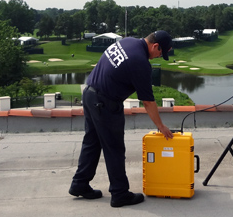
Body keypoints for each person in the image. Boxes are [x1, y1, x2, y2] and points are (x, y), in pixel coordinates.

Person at [69, 30, 174, 208]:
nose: (157, 57)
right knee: (114, 149)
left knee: (92, 142)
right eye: (160, 53)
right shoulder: (140, 62)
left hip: (89, 94)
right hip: (105, 103)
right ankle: (119, 194)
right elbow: (148, 102)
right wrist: (161, 126)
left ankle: (80, 184)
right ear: (155, 46)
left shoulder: (128, 41)